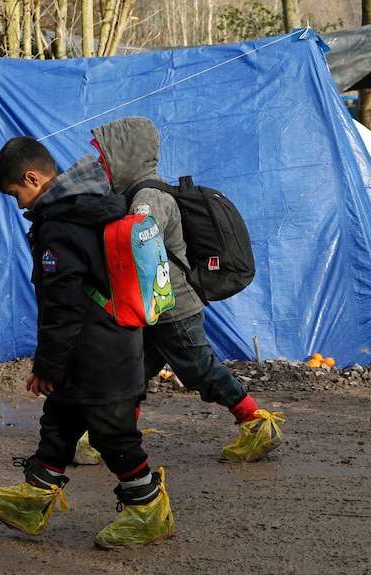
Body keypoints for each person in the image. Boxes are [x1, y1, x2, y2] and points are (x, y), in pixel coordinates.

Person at [0, 136, 174, 549]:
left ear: (32, 177)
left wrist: (47, 367)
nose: (20, 205)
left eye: (17, 193)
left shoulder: (60, 227)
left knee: (113, 434)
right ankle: (33, 498)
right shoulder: (93, 207)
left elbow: (63, 306)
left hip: (96, 353)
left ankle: (148, 510)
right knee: (62, 419)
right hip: (108, 344)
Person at [89, 116, 285, 462]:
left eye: (105, 158)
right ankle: (115, 438)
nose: (101, 165)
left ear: (126, 156)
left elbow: (139, 242)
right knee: (131, 374)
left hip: (173, 310)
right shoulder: (137, 192)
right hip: (152, 308)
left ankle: (256, 423)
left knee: (201, 370)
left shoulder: (147, 198)